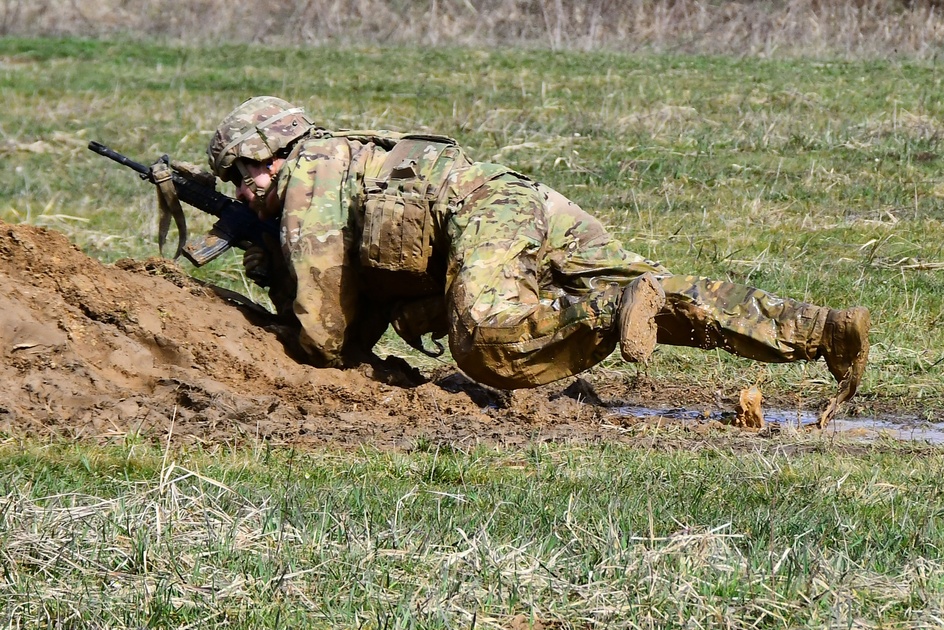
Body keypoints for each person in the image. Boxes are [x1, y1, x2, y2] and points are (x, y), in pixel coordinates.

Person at [206, 96, 870, 426]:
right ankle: (819, 329)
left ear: (272, 155)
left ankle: (612, 308)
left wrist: (270, 275)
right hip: (515, 197)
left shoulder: (307, 185)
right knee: (662, 295)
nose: (242, 193)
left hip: (483, 215)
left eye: (242, 177)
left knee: (488, 344)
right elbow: (363, 311)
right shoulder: (345, 159)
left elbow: (324, 340)